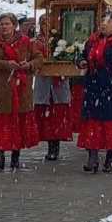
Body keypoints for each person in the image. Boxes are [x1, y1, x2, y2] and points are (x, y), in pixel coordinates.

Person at [77, 10, 112, 174]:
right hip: (94, 87)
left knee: (111, 124)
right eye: (102, 20)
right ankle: (92, 157)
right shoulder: (93, 40)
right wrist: (81, 61)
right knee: (92, 122)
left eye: (108, 21)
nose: (103, 24)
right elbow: (82, 56)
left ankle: (109, 158)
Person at [0, 12, 41, 171]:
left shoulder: (25, 42)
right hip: (2, 89)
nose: (4, 27)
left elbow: (38, 58)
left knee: (18, 122)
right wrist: (6, 64)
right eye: (1, 24)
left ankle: (16, 155)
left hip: (21, 88)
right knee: (1, 123)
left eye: (7, 24)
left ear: (14, 25)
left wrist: (28, 65)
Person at [34, 12, 74, 162]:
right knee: (46, 116)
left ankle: (55, 147)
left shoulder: (61, 40)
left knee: (57, 117)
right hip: (44, 83)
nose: (47, 27)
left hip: (58, 83)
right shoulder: (37, 42)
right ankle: (49, 145)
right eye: (44, 23)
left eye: (49, 23)